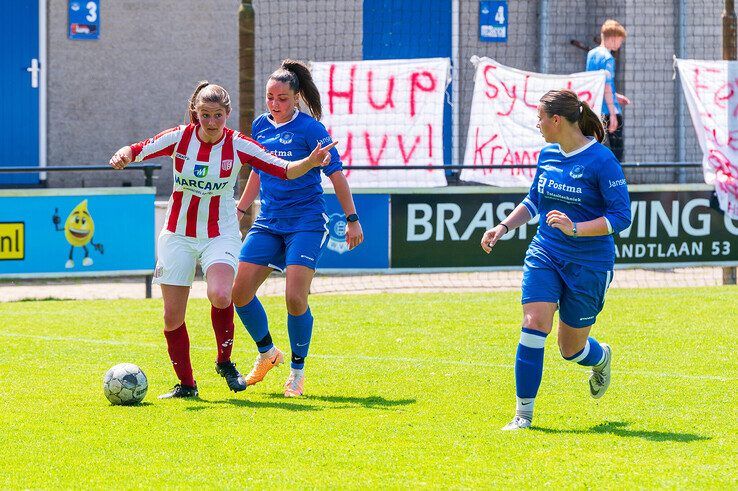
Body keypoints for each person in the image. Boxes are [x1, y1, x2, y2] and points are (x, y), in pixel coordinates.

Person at [109, 81, 337, 399]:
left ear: (227, 115)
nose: (212, 123)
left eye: (218, 115)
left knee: (220, 293)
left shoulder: (238, 144)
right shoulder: (180, 138)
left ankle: (224, 361)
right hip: (177, 233)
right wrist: (123, 155)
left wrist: (310, 163)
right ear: (195, 114)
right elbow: (139, 149)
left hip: (220, 233)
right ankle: (187, 386)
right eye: (205, 115)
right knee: (172, 316)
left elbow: (283, 169)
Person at [480, 89, 631, 430]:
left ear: (557, 120)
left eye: (540, 119)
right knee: (533, 325)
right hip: (546, 252)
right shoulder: (547, 154)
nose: (538, 124)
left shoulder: (602, 161)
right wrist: (503, 226)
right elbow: (534, 200)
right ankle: (523, 415)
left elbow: (621, 217)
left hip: (589, 264)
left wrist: (575, 228)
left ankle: (600, 356)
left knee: (570, 349)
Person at [232, 59, 364, 398]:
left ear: (297, 97)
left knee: (294, 297)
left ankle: (296, 372)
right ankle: (267, 354)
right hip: (268, 221)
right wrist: (242, 207)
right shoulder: (260, 126)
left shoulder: (312, 130)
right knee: (239, 293)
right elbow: (258, 172)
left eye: (282, 98)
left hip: (305, 222)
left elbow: (337, 177)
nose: (275, 105)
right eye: (270, 97)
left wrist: (352, 220)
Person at [586, 19, 630, 162]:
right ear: (613, 37)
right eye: (620, 40)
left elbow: (597, 85)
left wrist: (615, 96)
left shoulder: (591, 55)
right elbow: (606, 86)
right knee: (617, 152)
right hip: (608, 111)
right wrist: (612, 114)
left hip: (594, 111)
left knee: (593, 150)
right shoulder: (608, 58)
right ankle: (615, 181)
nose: (620, 44)